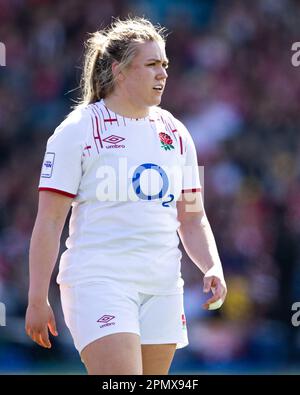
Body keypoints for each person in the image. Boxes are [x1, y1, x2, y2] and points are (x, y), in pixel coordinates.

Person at [25, 16, 227, 375]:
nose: (163, 74)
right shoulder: (78, 130)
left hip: (162, 285)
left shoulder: (177, 134)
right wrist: (37, 297)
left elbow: (192, 216)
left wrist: (211, 265)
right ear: (119, 71)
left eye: (165, 65)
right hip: (99, 281)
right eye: (151, 65)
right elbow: (50, 219)